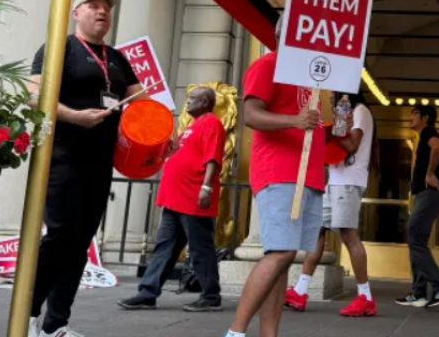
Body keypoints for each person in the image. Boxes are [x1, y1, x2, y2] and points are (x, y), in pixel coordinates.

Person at [27, 0, 145, 337]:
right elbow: (33, 94)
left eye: (106, 8)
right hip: (63, 154)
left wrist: (159, 132)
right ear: (76, 13)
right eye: (93, 7)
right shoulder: (59, 47)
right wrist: (74, 116)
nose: (101, 12)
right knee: (61, 235)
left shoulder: (119, 58)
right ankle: (27, 314)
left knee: (80, 241)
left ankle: (56, 324)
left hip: (100, 159)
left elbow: (142, 103)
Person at [224, 17, 326, 337]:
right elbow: (251, 115)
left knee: (284, 257)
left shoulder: (312, 79)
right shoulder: (268, 64)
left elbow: (314, 128)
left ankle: (268, 335)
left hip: (307, 175)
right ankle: (236, 332)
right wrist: (295, 120)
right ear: (284, 35)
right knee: (281, 252)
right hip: (279, 171)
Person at [116, 86, 224, 312]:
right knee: (164, 247)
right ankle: (147, 293)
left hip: (193, 195)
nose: (187, 102)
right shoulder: (191, 126)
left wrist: (206, 186)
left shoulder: (211, 122)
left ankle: (211, 296)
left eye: (192, 98)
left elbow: (212, 157)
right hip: (175, 197)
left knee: (200, 248)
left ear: (205, 102)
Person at [285, 91, 377, 316]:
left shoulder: (361, 112)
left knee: (348, 236)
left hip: (349, 181)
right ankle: (300, 290)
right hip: (335, 180)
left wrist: (335, 129)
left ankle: (365, 297)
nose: (330, 99)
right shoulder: (347, 113)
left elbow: (352, 145)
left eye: (334, 94)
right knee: (317, 232)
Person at [396, 104, 439, 308]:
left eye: (415, 114)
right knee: (415, 240)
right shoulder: (422, 138)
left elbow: (437, 147)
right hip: (424, 196)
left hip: (429, 195)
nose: (411, 117)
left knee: (415, 238)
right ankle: (418, 292)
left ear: (426, 118)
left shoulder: (429, 132)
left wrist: (430, 173)